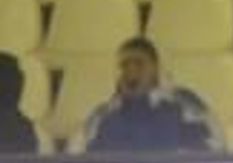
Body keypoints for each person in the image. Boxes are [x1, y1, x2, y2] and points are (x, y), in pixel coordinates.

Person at [83, 37, 220, 153]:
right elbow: (80, 161)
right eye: (124, 65)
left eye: (139, 64)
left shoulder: (183, 104)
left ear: (155, 68)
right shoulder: (103, 115)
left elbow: (213, 146)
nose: (131, 72)